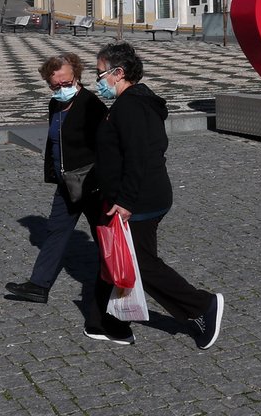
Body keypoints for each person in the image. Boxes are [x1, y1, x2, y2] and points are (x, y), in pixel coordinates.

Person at [92, 41, 224, 349]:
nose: (98, 81)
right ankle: (107, 319)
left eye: (100, 74)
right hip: (144, 197)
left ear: (118, 72)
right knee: (135, 262)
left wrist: (124, 200)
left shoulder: (131, 107)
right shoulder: (137, 101)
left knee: (142, 265)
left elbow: (139, 158)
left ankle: (201, 306)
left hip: (140, 201)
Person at [6, 53, 108, 305]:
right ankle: (38, 286)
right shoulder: (56, 104)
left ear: (76, 75)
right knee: (56, 231)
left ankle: (120, 281)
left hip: (91, 182)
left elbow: (106, 146)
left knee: (104, 235)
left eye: (66, 83)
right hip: (67, 182)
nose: (62, 88)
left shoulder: (91, 105)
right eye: (55, 85)